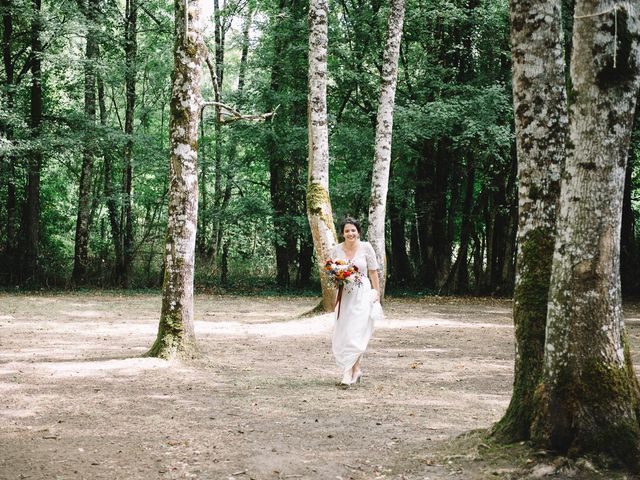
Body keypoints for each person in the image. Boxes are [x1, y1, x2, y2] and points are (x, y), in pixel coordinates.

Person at [331, 217, 383, 387]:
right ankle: (354, 369)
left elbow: (373, 272)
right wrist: (337, 278)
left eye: (353, 230)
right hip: (345, 296)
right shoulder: (337, 250)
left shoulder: (366, 247)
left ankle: (350, 371)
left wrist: (377, 293)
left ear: (358, 232)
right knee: (346, 332)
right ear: (342, 233)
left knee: (357, 332)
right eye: (347, 231)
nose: (350, 233)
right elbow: (332, 274)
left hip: (363, 295)